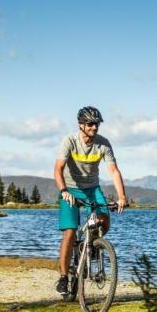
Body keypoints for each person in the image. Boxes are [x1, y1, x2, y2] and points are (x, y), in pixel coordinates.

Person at [53, 106, 127, 294]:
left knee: (104, 220)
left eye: (97, 124)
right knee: (70, 232)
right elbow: (58, 169)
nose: (94, 127)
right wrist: (63, 191)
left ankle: (91, 245)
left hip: (92, 189)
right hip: (70, 189)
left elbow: (113, 171)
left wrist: (121, 197)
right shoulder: (69, 141)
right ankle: (63, 277)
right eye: (90, 124)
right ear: (81, 125)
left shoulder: (103, 144)